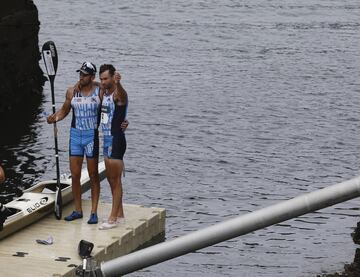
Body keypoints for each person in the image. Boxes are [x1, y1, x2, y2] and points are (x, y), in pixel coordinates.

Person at [47, 61, 102, 224]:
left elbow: (110, 85)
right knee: (75, 174)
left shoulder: (100, 91)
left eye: (85, 75)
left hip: (91, 136)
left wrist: (96, 81)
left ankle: (93, 212)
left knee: (93, 175)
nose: (81, 77)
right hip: (76, 136)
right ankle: (78, 210)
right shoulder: (71, 92)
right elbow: (64, 111)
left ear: (92, 77)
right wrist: (54, 118)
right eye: (80, 74)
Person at [98, 64, 128, 230]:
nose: (103, 81)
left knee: (115, 180)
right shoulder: (104, 92)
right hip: (106, 140)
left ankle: (112, 219)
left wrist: (119, 83)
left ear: (112, 78)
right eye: (101, 78)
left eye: (106, 78)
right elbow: (95, 84)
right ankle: (120, 214)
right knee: (111, 180)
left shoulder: (118, 94)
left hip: (116, 139)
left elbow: (123, 96)